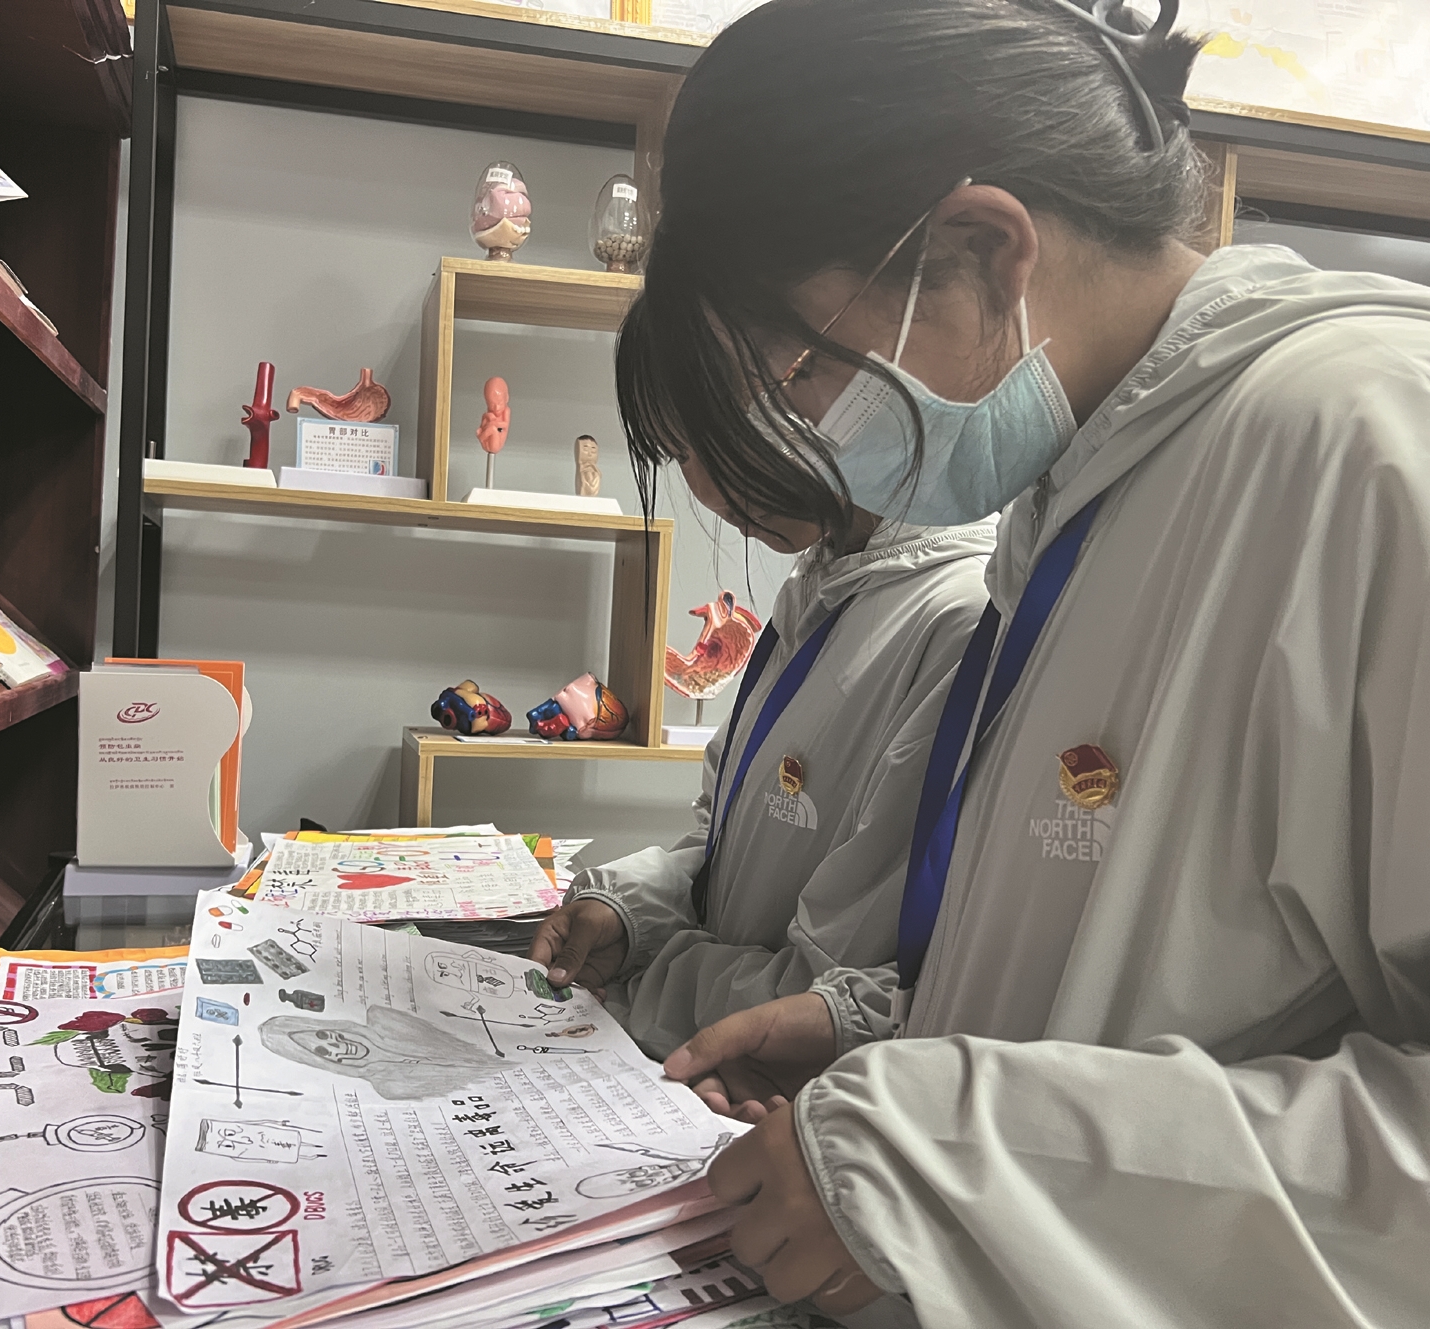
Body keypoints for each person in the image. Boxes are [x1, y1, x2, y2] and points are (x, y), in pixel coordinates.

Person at [612, 1, 1430, 1326]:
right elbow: (1163, 982)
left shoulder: (1369, 444)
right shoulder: (1072, 497)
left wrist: (953, 1163)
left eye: (800, 370)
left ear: (983, 250)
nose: (803, 434)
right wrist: (879, 1033)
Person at [530, 442, 994, 1058]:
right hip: (710, 1057)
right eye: (681, 454)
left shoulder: (959, 618)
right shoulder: (821, 590)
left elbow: (833, 993)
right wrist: (629, 912)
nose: (706, 492)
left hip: (770, 1077)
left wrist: (644, 979)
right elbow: (727, 845)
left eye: (713, 436)